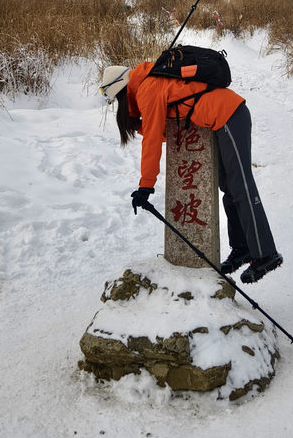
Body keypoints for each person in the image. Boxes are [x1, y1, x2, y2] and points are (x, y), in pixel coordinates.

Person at [100, 62, 282, 284]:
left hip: (229, 115)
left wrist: (146, 185)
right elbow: (164, 129)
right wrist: (141, 124)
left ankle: (265, 253)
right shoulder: (149, 85)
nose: (118, 105)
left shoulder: (147, 87)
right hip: (221, 120)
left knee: (240, 185)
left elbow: (153, 141)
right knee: (229, 186)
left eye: (117, 99)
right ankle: (242, 248)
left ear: (122, 89)